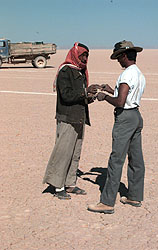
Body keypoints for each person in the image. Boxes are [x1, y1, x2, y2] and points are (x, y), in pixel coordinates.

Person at [88, 40, 146, 214]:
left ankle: (107, 202)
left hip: (125, 119)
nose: (118, 61)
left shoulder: (127, 74)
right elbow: (126, 97)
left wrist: (103, 97)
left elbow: (120, 102)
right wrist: (109, 89)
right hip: (135, 115)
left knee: (116, 160)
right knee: (136, 158)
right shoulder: (138, 73)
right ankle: (135, 196)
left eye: (118, 57)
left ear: (123, 56)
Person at [43, 42, 99, 200]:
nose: (85, 58)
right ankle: (58, 185)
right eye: (83, 55)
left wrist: (90, 97)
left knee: (75, 153)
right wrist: (84, 92)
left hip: (79, 118)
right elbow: (66, 95)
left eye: (87, 55)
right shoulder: (65, 71)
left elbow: (79, 96)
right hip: (67, 117)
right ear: (75, 54)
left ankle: (70, 183)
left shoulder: (81, 71)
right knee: (63, 152)